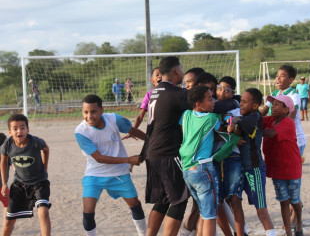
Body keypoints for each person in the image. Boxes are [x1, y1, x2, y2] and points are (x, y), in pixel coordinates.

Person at [74, 94, 147, 236]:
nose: (89, 116)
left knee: (135, 204)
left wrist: (151, 141)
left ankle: (143, 234)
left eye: (93, 111)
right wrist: (128, 160)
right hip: (94, 174)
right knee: (88, 211)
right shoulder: (80, 132)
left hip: (119, 173)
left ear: (101, 110)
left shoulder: (114, 119)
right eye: (85, 112)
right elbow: (99, 158)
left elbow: (132, 131)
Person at [142, 56, 191, 236]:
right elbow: (204, 103)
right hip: (168, 153)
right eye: (182, 67)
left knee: (163, 199)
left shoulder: (155, 92)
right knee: (180, 198)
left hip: (152, 152)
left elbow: (150, 126)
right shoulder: (176, 93)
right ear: (177, 70)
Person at [229, 88, 277, 236]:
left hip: (254, 169)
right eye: (240, 101)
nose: (240, 105)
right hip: (240, 168)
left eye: (244, 102)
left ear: (255, 106)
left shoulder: (253, 117)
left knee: (261, 210)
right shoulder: (249, 115)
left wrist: (231, 121)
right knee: (235, 203)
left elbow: (240, 122)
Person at [1, 114, 51, 236]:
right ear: (10, 131)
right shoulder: (7, 144)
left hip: (40, 183)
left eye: (22, 127)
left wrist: (45, 168)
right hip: (19, 185)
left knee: (43, 212)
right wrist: (4, 184)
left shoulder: (35, 142)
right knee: (9, 221)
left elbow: (46, 149)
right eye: (15, 128)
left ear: (28, 129)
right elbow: (3, 162)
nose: (19, 131)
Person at [179, 85, 220, 236]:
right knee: (210, 215)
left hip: (188, 170)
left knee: (203, 212)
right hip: (203, 169)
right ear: (198, 103)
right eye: (209, 99)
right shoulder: (211, 118)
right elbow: (221, 128)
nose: (214, 101)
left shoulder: (186, 114)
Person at [262, 95, 303, 236]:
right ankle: (288, 232)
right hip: (277, 169)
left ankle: (298, 222)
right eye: (272, 104)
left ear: (286, 110)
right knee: (283, 201)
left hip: (291, 168)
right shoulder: (269, 120)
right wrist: (265, 106)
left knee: (294, 200)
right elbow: (257, 118)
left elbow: (271, 133)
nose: (273, 106)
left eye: (277, 104)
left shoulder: (288, 122)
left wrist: (254, 132)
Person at [213, 76, 246, 236]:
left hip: (233, 156)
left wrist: (234, 130)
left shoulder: (236, 108)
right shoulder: (210, 105)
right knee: (217, 200)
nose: (222, 92)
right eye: (219, 88)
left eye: (227, 90)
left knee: (234, 199)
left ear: (233, 92)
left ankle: (241, 233)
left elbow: (238, 127)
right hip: (216, 157)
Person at [261, 65, 306, 164]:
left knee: (291, 171)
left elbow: (292, 115)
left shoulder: (294, 95)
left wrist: (277, 130)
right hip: (278, 138)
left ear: (290, 80)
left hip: (294, 140)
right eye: (277, 76)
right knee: (281, 170)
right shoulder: (274, 94)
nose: (278, 78)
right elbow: (263, 112)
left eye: (282, 76)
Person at [0, 132, 10, 235]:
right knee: (8, 205)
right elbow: (15, 167)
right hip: (2, 186)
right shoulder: (5, 154)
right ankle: (6, 224)